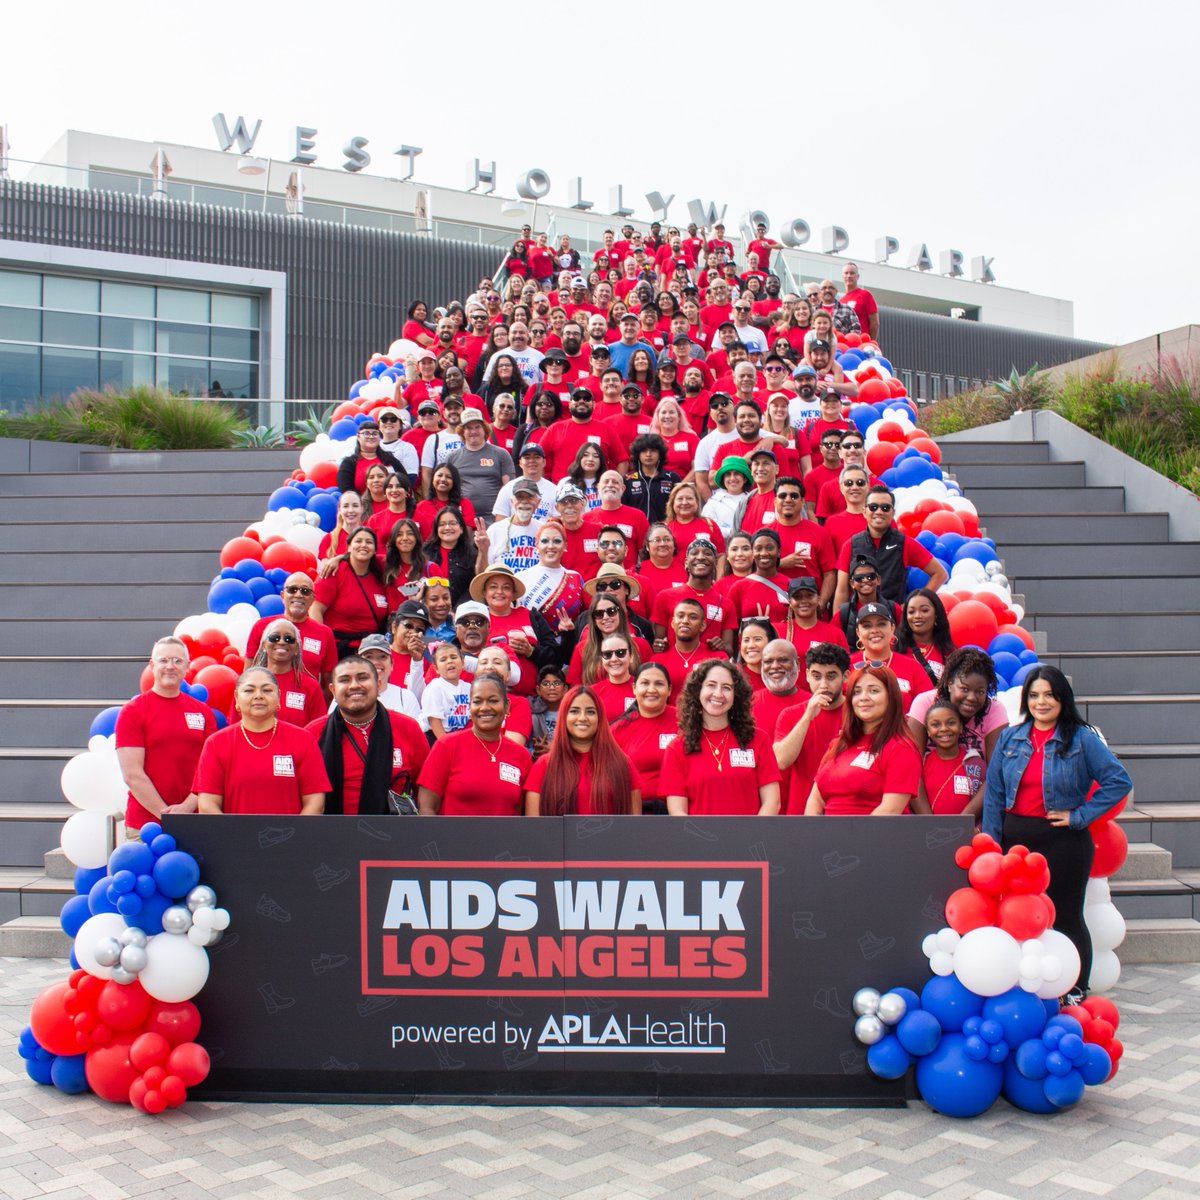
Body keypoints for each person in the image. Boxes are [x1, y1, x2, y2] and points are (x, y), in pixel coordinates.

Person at [982, 666, 1132, 1002]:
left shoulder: (1081, 738)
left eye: (1049, 694)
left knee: (1065, 915)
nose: (1041, 702)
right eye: (1034, 695)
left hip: (1063, 842)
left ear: (1062, 697)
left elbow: (1118, 781)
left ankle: (1076, 988)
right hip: (1016, 842)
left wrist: (1080, 816)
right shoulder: (1011, 736)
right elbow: (993, 792)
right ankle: (1028, 984)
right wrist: (993, 843)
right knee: (1019, 915)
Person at [194, 667, 329, 815]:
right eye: (249, 690)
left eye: (267, 690)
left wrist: (293, 837)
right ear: (237, 699)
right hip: (232, 837)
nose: (258, 696)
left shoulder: (303, 740)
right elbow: (208, 804)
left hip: (291, 836)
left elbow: (315, 803)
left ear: (278, 697)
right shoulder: (216, 743)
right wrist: (231, 837)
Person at [308, 654, 428, 815]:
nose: (354, 685)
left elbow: (424, 791)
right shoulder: (312, 734)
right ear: (333, 690)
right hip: (329, 834)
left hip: (394, 834)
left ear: (378, 685)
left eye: (362, 678)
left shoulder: (408, 728)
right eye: (344, 680)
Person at [115, 636, 215, 829]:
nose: (170, 666)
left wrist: (186, 808)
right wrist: (166, 816)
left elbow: (211, 769)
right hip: (146, 825)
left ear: (187, 666)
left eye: (177, 661)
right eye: (163, 660)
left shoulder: (202, 712)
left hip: (194, 820)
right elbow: (132, 774)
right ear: (152, 665)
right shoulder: (133, 711)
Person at [661, 660, 781, 816]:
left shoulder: (758, 740)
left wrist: (752, 836)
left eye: (727, 688)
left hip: (750, 838)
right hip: (699, 839)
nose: (718, 694)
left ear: (736, 695)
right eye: (711, 685)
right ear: (698, 691)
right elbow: (677, 811)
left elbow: (772, 802)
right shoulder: (677, 748)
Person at [805, 666, 920, 816]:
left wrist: (849, 838)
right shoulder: (839, 743)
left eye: (874, 691)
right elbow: (815, 800)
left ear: (891, 697)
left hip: (872, 837)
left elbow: (890, 811)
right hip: (827, 836)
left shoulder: (901, 748)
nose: (863, 697)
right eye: (857, 692)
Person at [417, 672, 533, 815]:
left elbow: (521, 813)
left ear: (507, 706)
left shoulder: (521, 755)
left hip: (504, 837)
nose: (484, 707)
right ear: (469, 707)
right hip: (454, 837)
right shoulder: (447, 745)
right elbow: (427, 808)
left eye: (493, 700)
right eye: (477, 701)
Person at [524, 685, 641, 815]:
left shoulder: (622, 763)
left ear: (600, 717)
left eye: (590, 711)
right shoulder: (543, 766)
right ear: (563, 716)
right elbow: (534, 827)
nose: (582, 718)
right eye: (574, 711)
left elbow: (634, 825)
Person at [834, 485, 947, 611]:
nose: (879, 512)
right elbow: (842, 591)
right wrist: (837, 624)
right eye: (873, 507)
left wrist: (912, 605)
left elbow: (940, 574)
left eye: (885, 508)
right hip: (859, 621)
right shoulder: (851, 544)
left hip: (893, 620)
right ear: (864, 512)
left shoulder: (904, 543)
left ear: (892, 512)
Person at [773, 643, 852, 814]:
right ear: (807, 675)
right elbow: (780, 761)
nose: (823, 684)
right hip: (800, 813)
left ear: (845, 676)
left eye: (831, 677)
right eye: (816, 676)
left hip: (844, 812)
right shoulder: (790, 715)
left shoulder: (858, 715)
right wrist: (808, 716)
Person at [907, 647, 1009, 762]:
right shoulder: (925, 702)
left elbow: (995, 772)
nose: (971, 698)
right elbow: (912, 762)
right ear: (950, 684)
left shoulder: (994, 710)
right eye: (964, 689)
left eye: (980, 692)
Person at [470, 563, 556, 696]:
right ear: (484, 592)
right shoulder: (475, 621)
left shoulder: (531, 615)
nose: (499, 592)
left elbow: (555, 656)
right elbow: (465, 656)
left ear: (513, 593)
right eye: (493, 587)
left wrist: (531, 651)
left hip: (532, 701)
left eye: (506, 588)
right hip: (488, 699)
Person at [245, 572, 337, 693]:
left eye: (305, 591)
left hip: (305, 707)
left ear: (313, 598)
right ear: (283, 595)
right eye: (292, 589)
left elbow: (328, 684)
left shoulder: (325, 633)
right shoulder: (262, 627)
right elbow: (247, 675)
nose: (298, 595)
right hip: (264, 705)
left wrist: (316, 708)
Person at [311, 527, 395, 656]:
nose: (363, 545)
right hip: (339, 648)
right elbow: (315, 609)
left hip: (372, 649)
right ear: (349, 547)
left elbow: (401, 558)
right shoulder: (335, 570)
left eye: (369, 542)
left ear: (374, 550)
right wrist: (322, 644)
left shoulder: (380, 568)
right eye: (358, 541)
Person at [610, 662, 678, 815]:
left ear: (669, 690)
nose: (651, 690)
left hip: (678, 813)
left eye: (659, 684)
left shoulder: (685, 721)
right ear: (634, 688)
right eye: (645, 683)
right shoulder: (616, 730)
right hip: (635, 813)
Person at [650, 537, 735, 655]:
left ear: (715, 562)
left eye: (707, 554)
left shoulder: (726, 603)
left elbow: (730, 649)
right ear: (686, 563)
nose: (700, 557)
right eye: (694, 553)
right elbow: (659, 643)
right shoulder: (665, 597)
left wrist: (721, 646)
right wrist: (659, 645)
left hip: (711, 669)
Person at [848, 601, 932, 713]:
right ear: (858, 633)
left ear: (892, 628)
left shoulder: (912, 667)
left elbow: (929, 707)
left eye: (881, 624)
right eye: (867, 626)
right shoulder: (847, 665)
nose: (874, 630)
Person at [245, 618, 327, 727]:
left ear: (297, 648)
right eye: (274, 637)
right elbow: (235, 728)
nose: (282, 642)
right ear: (264, 645)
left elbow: (320, 730)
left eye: (289, 639)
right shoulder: (247, 684)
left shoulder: (311, 687)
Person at [913, 700, 984, 819]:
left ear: (961, 727)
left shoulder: (976, 763)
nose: (944, 729)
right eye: (936, 725)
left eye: (951, 723)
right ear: (928, 731)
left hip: (967, 835)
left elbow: (986, 806)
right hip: (928, 834)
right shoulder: (922, 764)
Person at [539, 386, 629, 480]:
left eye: (586, 399)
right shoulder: (555, 429)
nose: (581, 401)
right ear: (569, 404)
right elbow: (538, 458)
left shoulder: (606, 429)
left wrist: (614, 484)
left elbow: (622, 461)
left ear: (594, 404)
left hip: (597, 491)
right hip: (562, 491)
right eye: (577, 398)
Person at [653, 596, 727, 701]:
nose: (685, 621)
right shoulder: (658, 660)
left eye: (693, 617)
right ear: (673, 623)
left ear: (703, 625)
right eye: (680, 616)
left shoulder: (718, 658)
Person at [446, 407, 514, 517]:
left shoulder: (501, 454)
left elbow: (509, 489)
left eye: (477, 427)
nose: (473, 431)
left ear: (485, 429)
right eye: (469, 428)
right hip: (462, 518)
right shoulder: (452, 458)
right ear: (462, 431)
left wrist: (501, 518)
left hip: (494, 517)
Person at [478, 478, 543, 574]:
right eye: (520, 497)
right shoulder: (495, 530)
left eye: (530, 497)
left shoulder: (543, 530)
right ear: (512, 501)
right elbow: (481, 574)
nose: (524, 501)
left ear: (538, 502)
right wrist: (482, 551)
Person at [895, 588, 956, 685]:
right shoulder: (894, 647)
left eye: (924, 610)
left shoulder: (949, 652)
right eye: (911, 612)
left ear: (936, 614)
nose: (917, 616)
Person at [782, 575, 849, 657]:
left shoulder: (835, 634)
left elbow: (845, 665)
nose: (804, 601)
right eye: (797, 597)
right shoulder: (778, 630)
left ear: (818, 599)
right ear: (790, 602)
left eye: (809, 595)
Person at [421, 506, 475, 605]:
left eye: (453, 523)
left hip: (461, 610)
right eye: (442, 524)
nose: (447, 528)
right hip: (429, 609)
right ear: (436, 529)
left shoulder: (471, 553)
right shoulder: (424, 552)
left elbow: (472, 587)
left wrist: (456, 610)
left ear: (461, 529)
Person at [622, 433, 680, 525]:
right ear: (638, 454)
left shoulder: (672, 478)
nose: (648, 454)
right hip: (636, 529)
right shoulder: (627, 480)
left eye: (653, 451)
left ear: (660, 454)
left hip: (665, 529)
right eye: (644, 451)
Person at [335, 421, 407, 495]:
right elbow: (346, 489)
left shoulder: (389, 459)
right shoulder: (349, 462)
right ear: (358, 436)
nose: (371, 437)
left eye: (375, 433)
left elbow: (404, 481)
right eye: (366, 433)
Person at [494, 441, 557, 522]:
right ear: (520, 463)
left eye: (536, 457)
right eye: (527, 458)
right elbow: (500, 523)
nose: (532, 461)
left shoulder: (555, 490)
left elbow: (558, 522)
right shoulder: (508, 489)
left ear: (544, 462)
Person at [414, 463, 477, 540]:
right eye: (439, 475)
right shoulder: (421, 506)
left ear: (454, 482)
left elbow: (466, 537)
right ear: (432, 479)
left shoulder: (464, 504)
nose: (443, 479)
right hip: (428, 550)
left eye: (448, 477)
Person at [753, 639, 803, 734]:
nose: (775, 666)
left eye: (783, 660)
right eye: (768, 662)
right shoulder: (748, 704)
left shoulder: (813, 704)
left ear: (797, 663)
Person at [421, 641, 471, 739]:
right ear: (436, 669)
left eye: (453, 657)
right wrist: (446, 745)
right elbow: (434, 720)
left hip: (458, 736)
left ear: (463, 662)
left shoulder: (469, 687)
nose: (449, 661)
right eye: (443, 659)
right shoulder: (435, 687)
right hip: (435, 737)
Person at [590, 632, 640, 721]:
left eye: (620, 653)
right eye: (607, 654)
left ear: (631, 656)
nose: (614, 659)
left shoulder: (643, 689)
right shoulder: (592, 693)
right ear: (601, 659)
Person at [703, 456, 751, 538]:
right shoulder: (713, 502)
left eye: (737, 474)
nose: (732, 478)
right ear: (723, 479)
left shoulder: (752, 499)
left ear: (745, 479)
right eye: (728, 474)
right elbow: (707, 527)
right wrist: (731, 531)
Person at [380, 517, 426, 602]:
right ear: (393, 539)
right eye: (399, 534)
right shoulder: (383, 564)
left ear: (417, 538)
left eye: (410, 533)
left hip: (419, 614)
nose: (405, 538)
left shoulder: (430, 567)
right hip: (393, 615)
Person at [318, 489, 365, 564]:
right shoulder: (329, 539)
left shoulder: (368, 537)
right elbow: (325, 572)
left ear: (362, 509)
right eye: (346, 506)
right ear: (340, 510)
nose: (350, 510)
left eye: (355, 506)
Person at [530, 665, 567, 757]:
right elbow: (522, 745)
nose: (551, 688)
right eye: (546, 684)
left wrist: (554, 750)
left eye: (557, 683)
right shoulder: (530, 712)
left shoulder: (572, 713)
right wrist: (534, 752)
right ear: (538, 690)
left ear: (565, 689)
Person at [840, 263, 879, 343]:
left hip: (862, 343)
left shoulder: (865, 295)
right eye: (846, 273)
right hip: (845, 345)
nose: (849, 276)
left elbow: (875, 323)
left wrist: (871, 342)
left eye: (852, 273)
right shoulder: (840, 301)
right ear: (842, 276)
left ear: (857, 276)